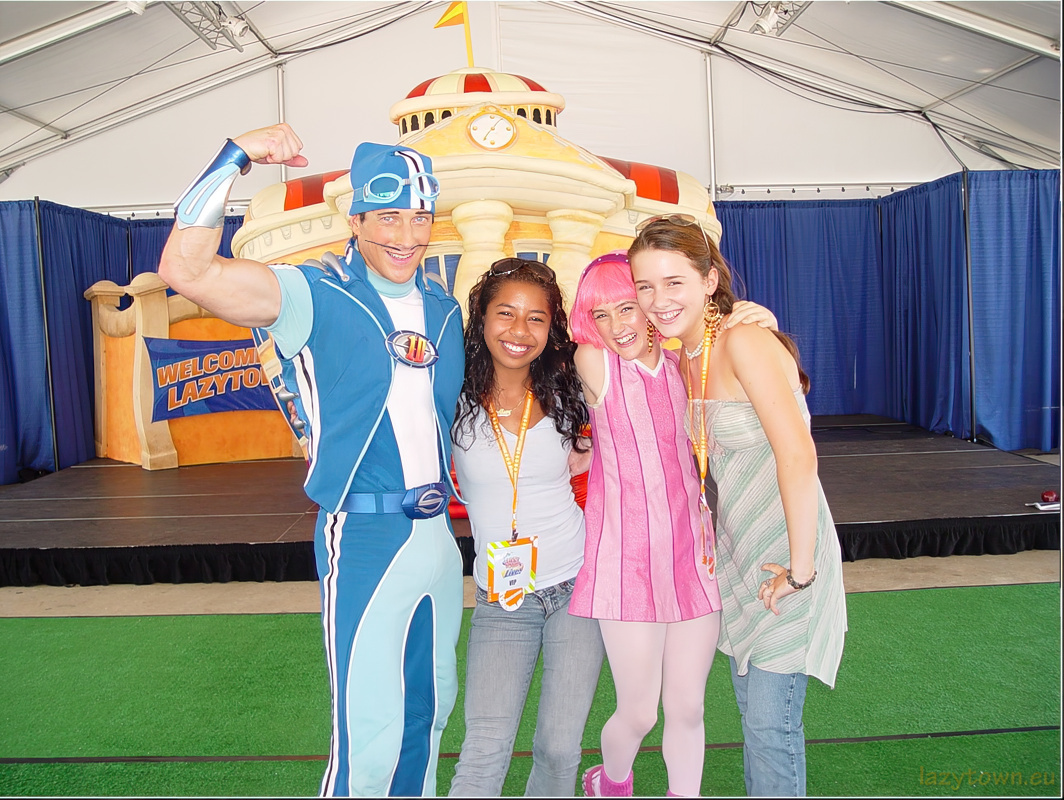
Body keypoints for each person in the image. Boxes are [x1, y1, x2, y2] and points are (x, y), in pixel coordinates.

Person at [158, 123, 465, 798]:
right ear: (354, 218)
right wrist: (234, 156)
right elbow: (185, 271)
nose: (407, 235)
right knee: (371, 732)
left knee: (429, 718)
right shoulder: (311, 293)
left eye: (420, 217)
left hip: (440, 541)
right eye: (388, 215)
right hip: (363, 535)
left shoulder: (445, 310)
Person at [628, 217, 847, 797]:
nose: (658, 300)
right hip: (738, 556)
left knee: (772, 726)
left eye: (674, 282)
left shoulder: (741, 341)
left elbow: (799, 457)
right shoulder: (683, 356)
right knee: (755, 719)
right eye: (645, 286)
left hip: (790, 554)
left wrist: (801, 572)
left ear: (708, 280)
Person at [567, 250, 777, 798]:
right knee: (638, 714)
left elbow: (724, 342)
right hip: (624, 566)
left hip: (693, 559)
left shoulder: (688, 363)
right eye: (601, 314)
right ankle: (610, 783)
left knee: (686, 707)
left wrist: (753, 319)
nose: (616, 326)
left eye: (627, 308)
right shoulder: (596, 362)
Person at [448, 257, 605, 797]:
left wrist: (730, 320)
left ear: (552, 325)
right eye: (505, 314)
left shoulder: (569, 386)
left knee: (560, 749)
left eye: (536, 318)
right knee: (485, 746)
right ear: (481, 318)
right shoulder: (450, 397)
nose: (519, 331)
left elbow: (649, 371)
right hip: (502, 599)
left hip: (577, 588)